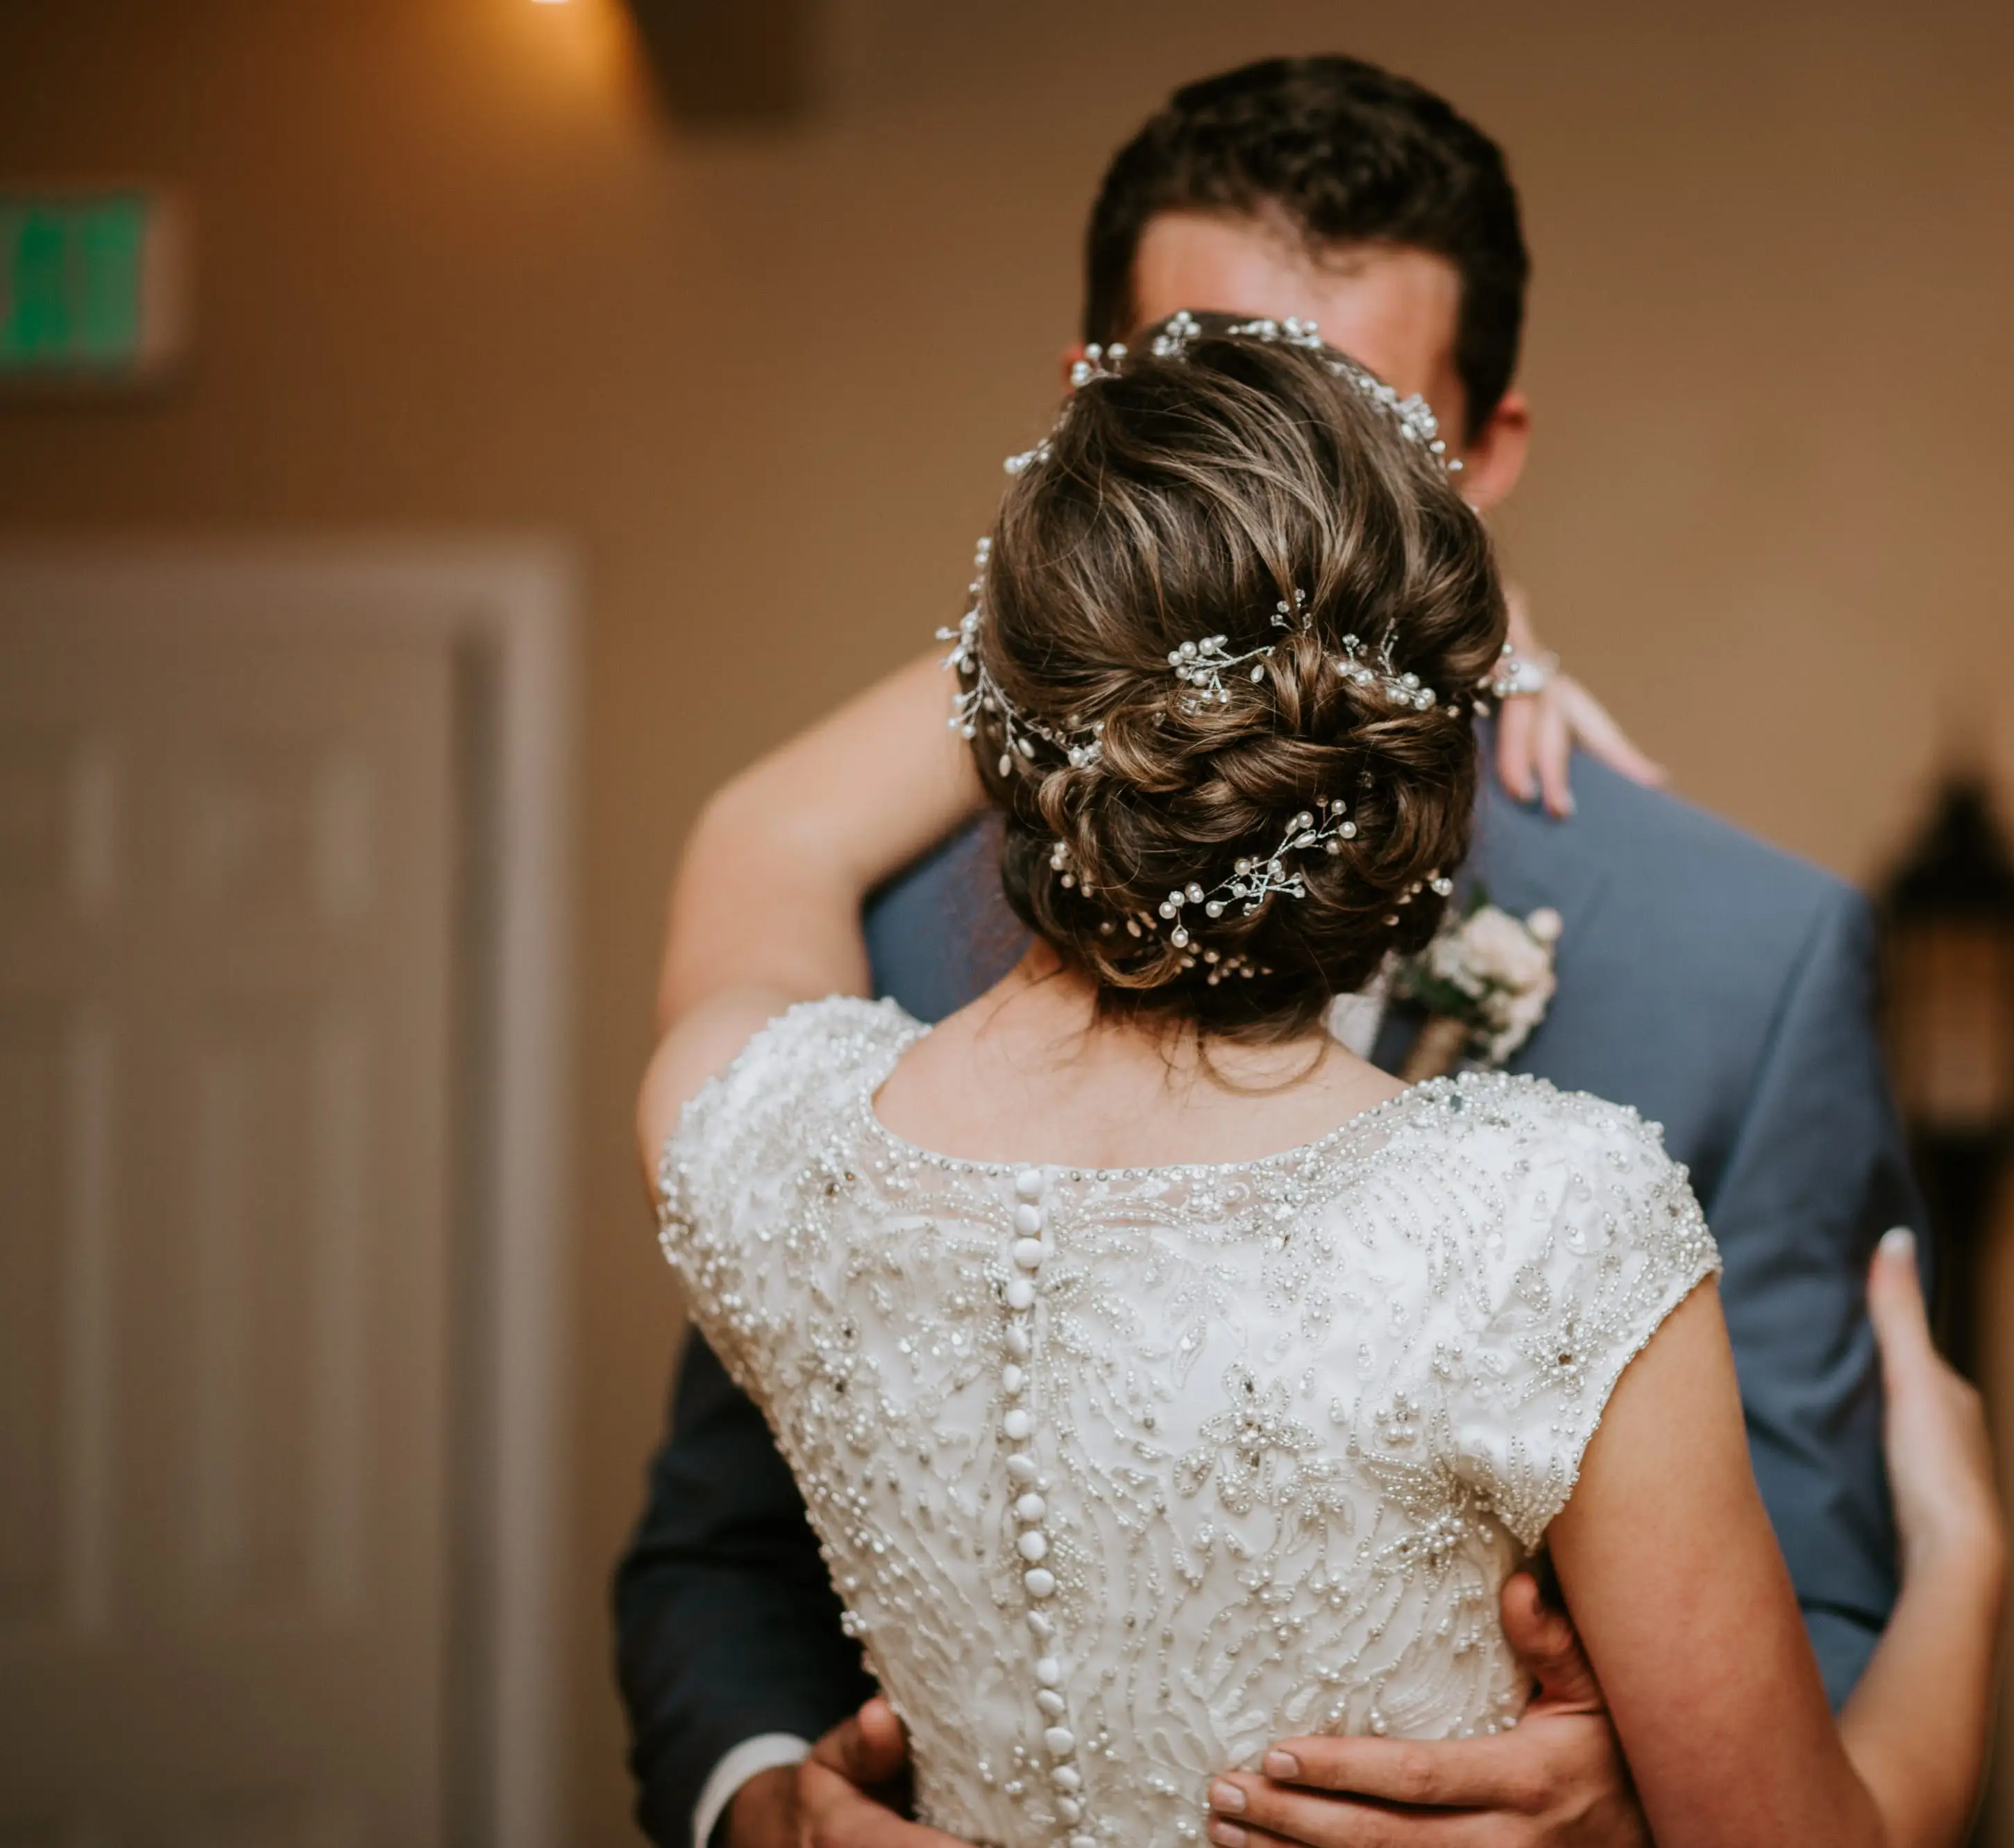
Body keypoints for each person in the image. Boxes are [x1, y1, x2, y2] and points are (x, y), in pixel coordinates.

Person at [618, 58, 1942, 1848]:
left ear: (1484, 460)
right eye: (1212, 405)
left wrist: (1629, 1809)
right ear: (1090, 417)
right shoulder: (885, 935)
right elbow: (719, 1554)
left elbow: (1821, 1601)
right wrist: (760, 1810)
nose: (1283, 480)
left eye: (1362, 430)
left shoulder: (1751, 953)